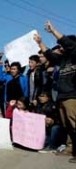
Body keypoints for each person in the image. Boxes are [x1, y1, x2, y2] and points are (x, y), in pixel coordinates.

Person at [34, 21, 76, 163]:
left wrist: (53, 31)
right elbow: (50, 55)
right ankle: (71, 147)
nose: (61, 47)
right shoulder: (63, 59)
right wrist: (40, 43)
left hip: (73, 95)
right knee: (67, 125)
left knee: (75, 123)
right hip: (62, 96)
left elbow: (68, 44)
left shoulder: (74, 54)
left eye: (64, 45)